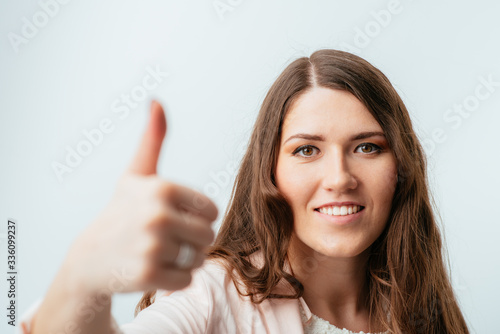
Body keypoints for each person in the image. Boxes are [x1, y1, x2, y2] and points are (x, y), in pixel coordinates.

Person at [22, 49, 469, 334]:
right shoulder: (214, 293)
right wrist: (84, 277)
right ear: (270, 172)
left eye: (367, 147)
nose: (339, 177)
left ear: (401, 169)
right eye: (307, 150)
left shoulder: (417, 303)